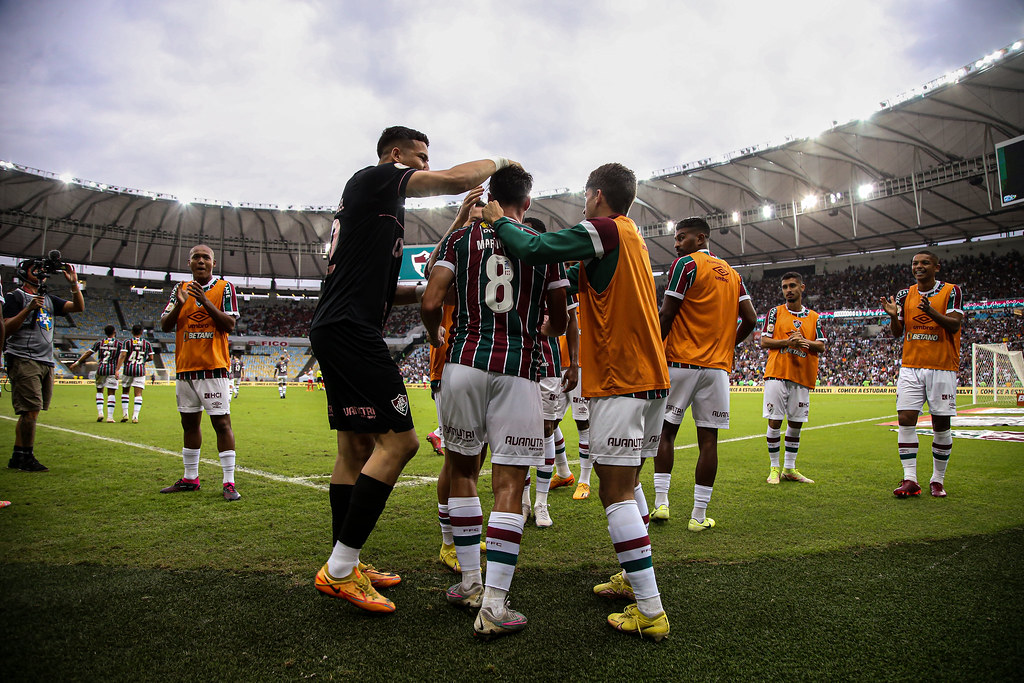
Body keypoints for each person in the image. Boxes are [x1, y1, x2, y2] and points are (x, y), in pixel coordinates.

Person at [308, 125, 515, 614]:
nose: (424, 165)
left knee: (355, 447)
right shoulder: (375, 179)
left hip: (338, 325)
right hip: (351, 330)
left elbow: (400, 289)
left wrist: (456, 228)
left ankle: (346, 562)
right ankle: (339, 569)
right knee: (401, 442)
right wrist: (500, 162)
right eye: (418, 157)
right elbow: (445, 180)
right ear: (395, 155)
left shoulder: (380, 215)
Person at [493, 162, 671, 641]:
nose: (582, 204)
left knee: (614, 493)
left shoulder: (603, 229)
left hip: (621, 379)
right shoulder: (632, 235)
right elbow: (571, 281)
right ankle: (633, 580)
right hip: (649, 378)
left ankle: (651, 609)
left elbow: (534, 248)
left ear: (595, 196)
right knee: (630, 485)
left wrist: (498, 219)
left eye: (584, 196)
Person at [423, 164, 568, 640]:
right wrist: (540, 330)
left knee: (462, 471)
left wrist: (436, 332)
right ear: (526, 202)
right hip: (519, 371)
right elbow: (561, 321)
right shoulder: (542, 247)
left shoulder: (458, 240)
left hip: (462, 365)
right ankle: (495, 605)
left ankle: (468, 582)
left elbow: (429, 301)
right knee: (510, 483)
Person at [652, 218, 757, 529]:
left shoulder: (686, 265)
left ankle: (661, 504)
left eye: (681, 237)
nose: (676, 244)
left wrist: (652, 351)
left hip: (681, 363)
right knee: (708, 441)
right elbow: (750, 319)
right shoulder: (735, 275)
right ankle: (698, 517)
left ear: (700, 238)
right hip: (716, 370)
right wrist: (727, 346)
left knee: (665, 433)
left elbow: (667, 313)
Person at [159, 244, 242, 501]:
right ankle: (190, 478)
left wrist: (204, 301)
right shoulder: (179, 289)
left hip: (213, 367)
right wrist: (178, 306)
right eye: (196, 257)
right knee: (189, 424)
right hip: (185, 368)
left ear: (213, 264)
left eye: (206, 257)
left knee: (221, 423)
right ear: (189, 263)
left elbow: (229, 324)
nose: (201, 261)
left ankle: (229, 481)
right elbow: (164, 325)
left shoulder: (224, 288)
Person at [880, 250, 963, 498]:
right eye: (915, 263)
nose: (919, 266)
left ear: (936, 267)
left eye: (925, 262)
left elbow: (955, 324)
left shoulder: (951, 291)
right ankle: (910, 479)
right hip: (911, 366)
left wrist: (931, 312)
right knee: (905, 419)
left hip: (942, 366)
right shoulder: (905, 294)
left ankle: (937, 480)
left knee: (940, 424)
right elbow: (897, 332)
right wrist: (894, 317)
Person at [3, 257, 84, 472]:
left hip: (46, 360)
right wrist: (28, 309)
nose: (41, 272)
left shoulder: (48, 298)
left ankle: (17, 456)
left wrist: (74, 284)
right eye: (36, 268)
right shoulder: (15, 297)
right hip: (23, 357)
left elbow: (78, 307)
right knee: (30, 410)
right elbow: (5, 328)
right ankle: (26, 457)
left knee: (31, 412)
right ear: (24, 272)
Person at [760, 272, 825, 484]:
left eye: (792, 286)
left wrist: (803, 341)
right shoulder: (775, 313)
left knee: (796, 423)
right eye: (785, 286)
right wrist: (788, 343)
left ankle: (789, 468)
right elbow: (764, 341)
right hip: (777, 373)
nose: (788, 290)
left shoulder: (814, 317)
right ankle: (773, 468)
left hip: (801, 376)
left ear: (802, 288)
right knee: (775, 420)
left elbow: (822, 345)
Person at [69, 325, 121, 422]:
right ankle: (110, 417)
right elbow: (124, 356)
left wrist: (77, 362)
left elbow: (88, 353)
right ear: (114, 332)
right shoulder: (119, 344)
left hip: (101, 369)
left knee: (99, 391)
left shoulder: (99, 343)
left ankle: (100, 413)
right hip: (112, 370)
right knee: (111, 393)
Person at [116, 324, 154, 423]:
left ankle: (125, 414)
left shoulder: (127, 342)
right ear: (141, 332)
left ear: (132, 332)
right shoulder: (147, 343)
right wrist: (143, 361)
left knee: (125, 392)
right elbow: (151, 357)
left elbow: (123, 355)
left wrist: (117, 369)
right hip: (140, 370)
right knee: (138, 394)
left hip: (128, 369)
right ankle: (135, 417)